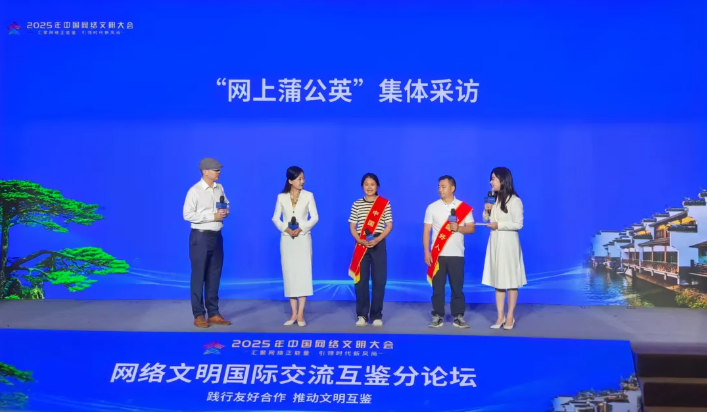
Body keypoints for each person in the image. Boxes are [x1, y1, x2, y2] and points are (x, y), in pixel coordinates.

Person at [182, 157, 232, 328]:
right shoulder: (194, 191)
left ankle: (214, 313)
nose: (219, 172)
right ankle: (198, 315)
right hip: (200, 237)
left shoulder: (220, 188)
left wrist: (225, 212)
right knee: (199, 276)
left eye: (219, 170)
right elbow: (187, 214)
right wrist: (212, 216)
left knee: (214, 275)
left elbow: (226, 204)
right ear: (205, 172)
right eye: (215, 170)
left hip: (216, 236)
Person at [423, 175, 475, 328]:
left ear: (453, 188)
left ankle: (458, 316)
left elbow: (471, 228)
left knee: (457, 288)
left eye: (443, 186)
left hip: (457, 254)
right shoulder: (432, 207)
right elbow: (426, 231)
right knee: (437, 288)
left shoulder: (463, 207)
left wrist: (458, 228)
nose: (440, 189)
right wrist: (426, 251)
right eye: (439, 186)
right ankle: (437, 315)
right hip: (437, 255)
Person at [272, 166, 319, 326]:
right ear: (290, 180)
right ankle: (293, 313)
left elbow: (315, 217)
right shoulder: (281, 197)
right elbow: (275, 218)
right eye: (299, 178)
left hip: (303, 239)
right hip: (287, 240)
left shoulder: (308, 196)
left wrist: (302, 228)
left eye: (303, 178)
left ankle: (300, 314)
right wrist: (285, 228)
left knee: (303, 274)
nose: (302, 181)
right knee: (290, 275)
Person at [482, 167, 526, 330]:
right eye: (491, 178)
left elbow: (518, 224)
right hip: (495, 242)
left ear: (503, 180)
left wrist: (499, 225)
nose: (491, 182)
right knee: (498, 280)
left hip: (509, 244)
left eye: (494, 178)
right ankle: (500, 316)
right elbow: (486, 218)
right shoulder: (493, 198)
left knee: (511, 280)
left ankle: (510, 316)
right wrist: (487, 210)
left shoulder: (515, 200)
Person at [348, 173, 393, 327]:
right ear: (362, 186)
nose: (369, 187)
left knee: (379, 280)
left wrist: (378, 239)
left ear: (377, 186)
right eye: (366, 184)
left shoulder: (384, 204)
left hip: (378, 243)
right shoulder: (356, 204)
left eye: (372, 184)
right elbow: (352, 226)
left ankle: (376, 315)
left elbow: (389, 225)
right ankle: (362, 315)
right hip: (361, 244)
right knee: (361, 281)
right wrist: (359, 240)